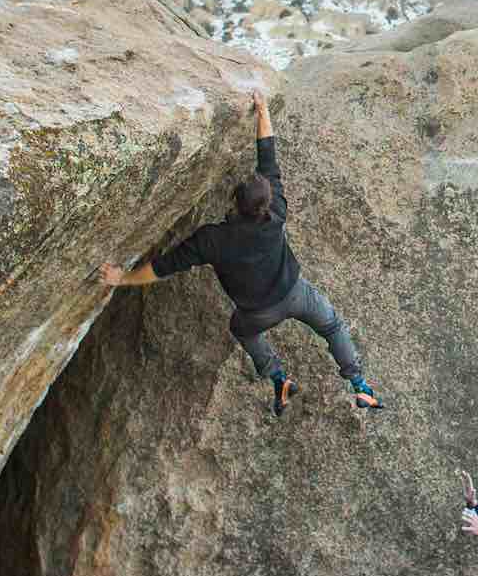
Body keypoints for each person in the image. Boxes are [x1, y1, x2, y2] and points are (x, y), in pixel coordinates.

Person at [98, 90, 383, 416]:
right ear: (264, 201)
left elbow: (164, 267)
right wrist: (262, 111)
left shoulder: (212, 240)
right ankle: (360, 387)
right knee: (332, 327)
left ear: (235, 204)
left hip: (257, 312)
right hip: (295, 293)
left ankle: (278, 377)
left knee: (241, 330)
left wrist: (122, 278)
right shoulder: (276, 210)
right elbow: (269, 158)